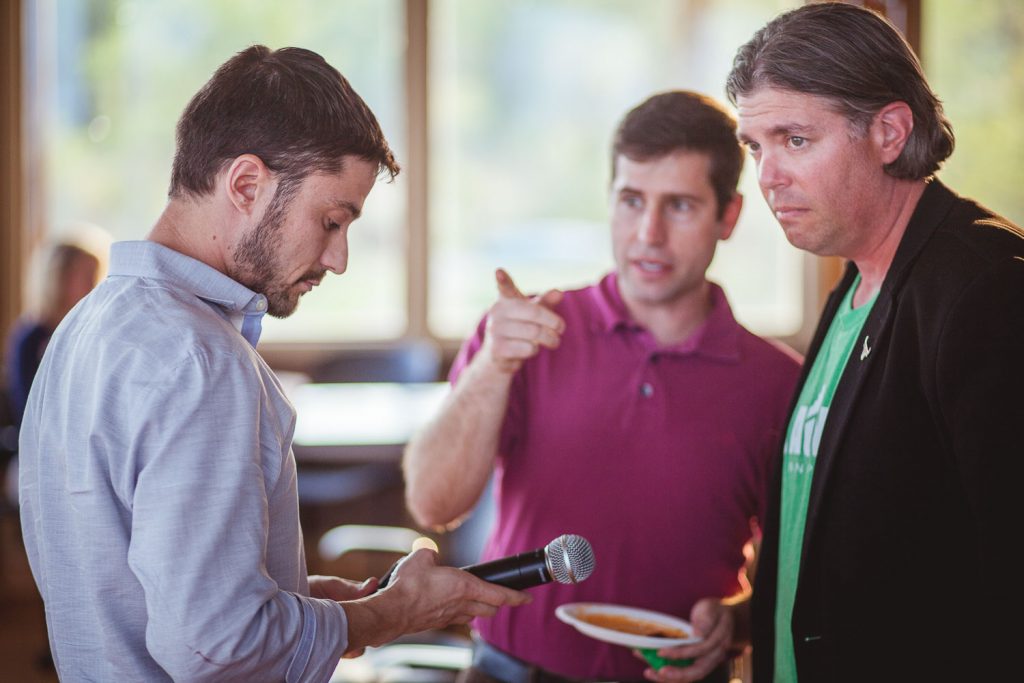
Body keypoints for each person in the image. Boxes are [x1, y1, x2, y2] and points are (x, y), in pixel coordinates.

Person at [18, 45, 529, 682]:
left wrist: (303, 599)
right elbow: (217, 647)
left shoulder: (87, 325)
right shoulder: (200, 361)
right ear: (247, 184)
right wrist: (389, 616)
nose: (339, 259)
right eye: (332, 220)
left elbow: (148, 584)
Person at [403, 91, 802, 683]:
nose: (649, 233)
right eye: (631, 200)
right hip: (508, 671)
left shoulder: (780, 383)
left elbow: (801, 568)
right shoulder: (527, 331)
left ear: (729, 216)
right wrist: (492, 367)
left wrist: (739, 621)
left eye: (681, 206)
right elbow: (434, 504)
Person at [726, 4, 1024, 681]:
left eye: (794, 139)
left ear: (889, 131)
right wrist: (749, 616)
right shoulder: (856, 281)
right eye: (755, 146)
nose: (767, 174)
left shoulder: (987, 292)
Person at [5, 230, 107, 424]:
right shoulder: (31, 338)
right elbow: (27, 411)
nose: (95, 286)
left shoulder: (90, 332)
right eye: (87, 277)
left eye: (96, 276)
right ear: (59, 278)